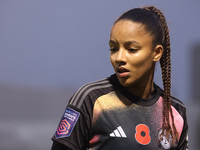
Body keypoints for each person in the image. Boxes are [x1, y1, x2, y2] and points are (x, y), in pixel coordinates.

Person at [51, 6, 188, 150]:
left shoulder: (175, 113)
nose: (119, 58)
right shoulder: (91, 99)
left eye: (132, 49)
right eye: (114, 49)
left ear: (157, 52)